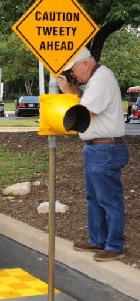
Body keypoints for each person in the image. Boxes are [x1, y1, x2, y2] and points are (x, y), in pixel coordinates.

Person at [57, 47, 129, 262]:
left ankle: (115, 246)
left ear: (85, 64)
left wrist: (69, 93)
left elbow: (82, 113)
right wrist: (73, 90)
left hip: (105, 148)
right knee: (95, 197)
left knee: (108, 199)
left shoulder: (101, 79)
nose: (73, 75)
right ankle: (98, 241)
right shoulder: (96, 79)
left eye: (74, 71)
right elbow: (86, 102)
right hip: (97, 147)